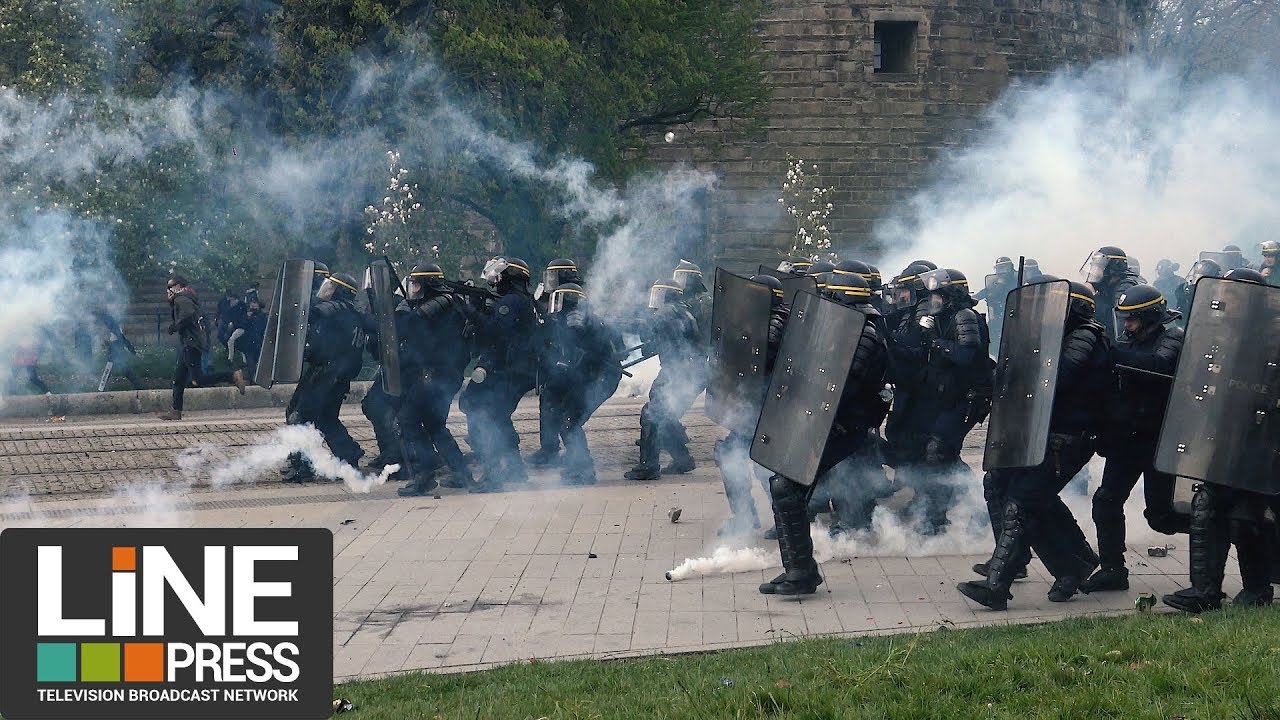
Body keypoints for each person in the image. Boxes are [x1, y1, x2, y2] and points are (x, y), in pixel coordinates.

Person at [958, 282, 1109, 610]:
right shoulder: (1059, 337)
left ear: (1073, 309)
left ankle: (997, 586)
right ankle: (1075, 564)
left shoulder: (1083, 336)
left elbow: (1058, 376)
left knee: (1021, 503)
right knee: (1014, 490)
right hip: (1043, 436)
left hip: (1066, 439)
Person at [759, 275, 890, 595]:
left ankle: (802, 572)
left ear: (843, 298)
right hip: (828, 422)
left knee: (786, 485)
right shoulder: (853, 327)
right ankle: (799, 569)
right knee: (788, 488)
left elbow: (846, 383)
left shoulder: (865, 332)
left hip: (844, 425)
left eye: (831, 296)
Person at [1080, 284, 1186, 593]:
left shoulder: (1173, 337)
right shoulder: (1131, 339)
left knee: (1161, 517)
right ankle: (1114, 570)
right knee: (1106, 501)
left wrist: (1112, 353)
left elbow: (1160, 367)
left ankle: (1241, 538)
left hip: (1157, 441)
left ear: (1150, 317)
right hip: (1128, 439)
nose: (1126, 325)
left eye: (1132, 319)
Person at [892, 269, 992, 534]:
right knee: (935, 450)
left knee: (938, 451)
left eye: (938, 294)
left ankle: (945, 517)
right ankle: (951, 510)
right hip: (947, 396)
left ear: (951, 295)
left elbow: (966, 357)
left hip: (969, 397)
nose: (933, 299)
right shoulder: (941, 318)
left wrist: (936, 342)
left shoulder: (964, 317)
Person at [712, 274, 788, 536]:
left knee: (762, 463)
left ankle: (779, 520)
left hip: (767, 408)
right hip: (757, 407)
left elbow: (759, 357)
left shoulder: (774, 324)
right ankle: (750, 517)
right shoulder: (767, 320)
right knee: (731, 454)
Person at [461, 257, 540, 493]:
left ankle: (493, 473)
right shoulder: (518, 300)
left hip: (512, 369)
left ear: (511, 276)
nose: (495, 279)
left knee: (486, 413)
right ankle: (515, 469)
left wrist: (472, 312)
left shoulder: (513, 301)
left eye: (499, 274)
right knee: (497, 414)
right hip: (514, 368)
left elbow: (496, 331)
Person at [396, 264, 475, 496]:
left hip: (436, 375)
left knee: (408, 419)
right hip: (443, 374)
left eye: (417, 284)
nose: (413, 289)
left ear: (429, 284)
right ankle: (461, 472)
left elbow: (410, 327)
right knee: (434, 425)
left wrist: (401, 310)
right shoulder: (448, 304)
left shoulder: (439, 305)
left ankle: (424, 475)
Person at [281, 272, 367, 482]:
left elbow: (305, 314)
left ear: (339, 291)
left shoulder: (333, 308)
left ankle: (304, 465)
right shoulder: (352, 312)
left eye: (330, 286)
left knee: (300, 417)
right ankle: (348, 455)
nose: (325, 289)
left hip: (326, 374)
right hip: (333, 373)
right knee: (326, 418)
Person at [539, 283, 625, 485]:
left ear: (569, 300)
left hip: (601, 377)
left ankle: (584, 470)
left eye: (559, 299)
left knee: (570, 420)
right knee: (566, 418)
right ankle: (575, 463)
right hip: (592, 376)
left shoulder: (576, 319)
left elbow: (583, 352)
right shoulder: (580, 319)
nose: (555, 305)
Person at [624, 280, 703, 481]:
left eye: (659, 293)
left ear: (668, 295)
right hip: (690, 370)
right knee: (664, 416)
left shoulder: (667, 311)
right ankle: (682, 459)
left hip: (679, 371)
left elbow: (644, 326)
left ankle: (649, 466)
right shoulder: (681, 311)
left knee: (652, 414)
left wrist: (610, 322)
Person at [157, 275, 245, 421]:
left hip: (191, 344)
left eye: (170, 286)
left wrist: (174, 326)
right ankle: (175, 410)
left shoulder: (181, 298)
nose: (168, 290)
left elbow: (187, 314)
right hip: (190, 342)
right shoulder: (187, 297)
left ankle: (232, 376)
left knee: (199, 379)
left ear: (179, 286)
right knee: (178, 379)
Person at [529, 258, 585, 468]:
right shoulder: (552, 296)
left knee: (566, 414)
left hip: (568, 362)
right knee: (548, 402)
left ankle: (571, 457)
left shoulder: (573, 295)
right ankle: (550, 448)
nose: (550, 280)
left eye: (554, 275)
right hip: (554, 359)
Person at [1081, 246, 1144, 339]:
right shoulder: (1106, 288)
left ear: (1114, 268)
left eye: (1098, 267)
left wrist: (1092, 299)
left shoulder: (1126, 288)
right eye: (1093, 267)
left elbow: (1119, 325)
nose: (1095, 272)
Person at [94, 312, 142, 391]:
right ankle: (138, 387)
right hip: (117, 352)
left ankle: (101, 389)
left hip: (116, 353)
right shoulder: (114, 328)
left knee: (109, 370)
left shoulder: (115, 329)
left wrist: (133, 351)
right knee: (125, 370)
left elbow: (123, 340)